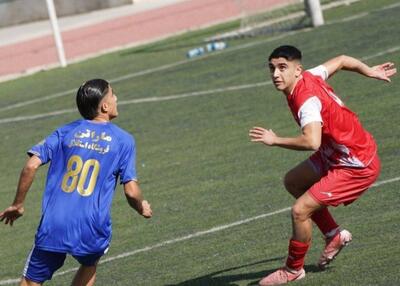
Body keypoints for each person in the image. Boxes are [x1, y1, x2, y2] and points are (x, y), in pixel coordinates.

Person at [249, 45, 396, 285]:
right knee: (293, 181)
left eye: (282, 68)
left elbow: (311, 141)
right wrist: (368, 70)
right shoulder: (311, 75)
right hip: (339, 153)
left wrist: (275, 140)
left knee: (299, 211)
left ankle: (293, 269)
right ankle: (334, 235)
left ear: (298, 70)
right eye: (272, 68)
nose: (275, 74)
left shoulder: (305, 101)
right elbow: (341, 60)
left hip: (355, 165)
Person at [0, 79, 153, 286]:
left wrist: (18, 204)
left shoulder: (65, 131)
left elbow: (30, 166)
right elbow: (132, 192)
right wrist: (141, 207)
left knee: (30, 281)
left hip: (55, 222)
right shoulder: (124, 140)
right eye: (113, 94)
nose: (116, 98)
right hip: (92, 225)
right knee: (90, 264)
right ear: (105, 106)